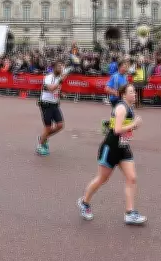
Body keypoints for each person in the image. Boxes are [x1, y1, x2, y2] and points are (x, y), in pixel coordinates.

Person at [78, 83, 146, 225]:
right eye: (131, 92)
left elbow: (119, 126)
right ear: (123, 95)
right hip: (110, 148)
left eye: (134, 91)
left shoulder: (129, 107)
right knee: (102, 179)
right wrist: (134, 124)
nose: (134, 94)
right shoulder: (121, 107)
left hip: (123, 148)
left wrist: (132, 126)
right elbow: (117, 130)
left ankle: (129, 213)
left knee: (132, 178)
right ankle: (84, 203)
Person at [37, 61, 66, 156]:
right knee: (48, 127)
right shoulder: (49, 77)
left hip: (55, 104)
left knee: (60, 125)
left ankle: (43, 138)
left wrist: (61, 94)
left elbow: (55, 90)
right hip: (46, 104)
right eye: (59, 67)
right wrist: (60, 80)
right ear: (54, 68)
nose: (61, 69)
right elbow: (51, 88)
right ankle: (40, 145)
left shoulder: (58, 78)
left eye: (62, 67)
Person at [102, 60, 128, 135]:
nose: (125, 68)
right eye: (123, 67)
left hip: (122, 100)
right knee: (120, 116)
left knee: (120, 116)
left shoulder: (125, 77)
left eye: (126, 67)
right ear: (119, 68)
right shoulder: (115, 76)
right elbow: (106, 88)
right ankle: (115, 131)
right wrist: (115, 92)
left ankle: (107, 124)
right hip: (115, 99)